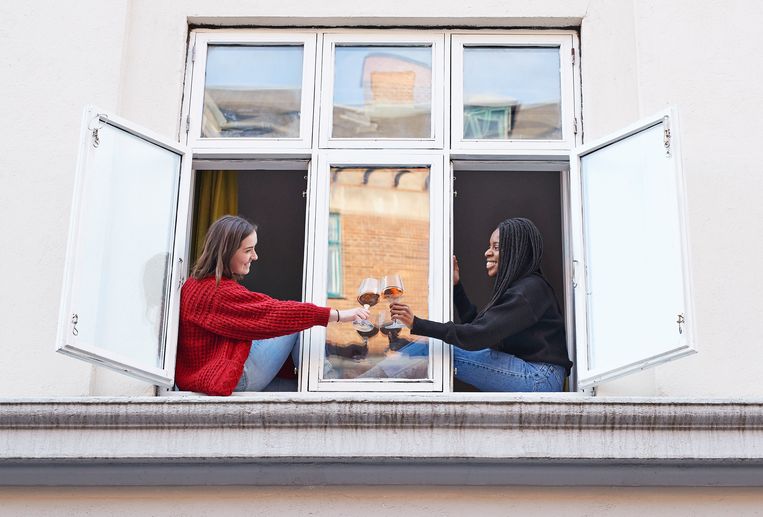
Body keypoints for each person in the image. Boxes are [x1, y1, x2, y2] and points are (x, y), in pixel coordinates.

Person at [176, 215, 368, 395]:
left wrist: (340, 350)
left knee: (298, 389)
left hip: (210, 376)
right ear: (226, 252)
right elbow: (275, 314)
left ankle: (324, 387)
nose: (255, 256)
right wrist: (339, 315)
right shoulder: (216, 292)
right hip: (227, 377)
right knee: (298, 319)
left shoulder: (197, 286)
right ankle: (333, 385)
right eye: (248, 250)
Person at [389, 217, 572, 392]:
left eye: (496, 247)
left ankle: (372, 381)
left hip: (540, 378)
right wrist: (456, 287)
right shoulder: (524, 289)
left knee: (434, 347)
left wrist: (417, 323)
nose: (487, 252)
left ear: (516, 251)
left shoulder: (529, 290)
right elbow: (481, 330)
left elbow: (477, 335)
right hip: (537, 375)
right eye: (489, 246)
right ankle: (377, 380)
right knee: (432, 345)